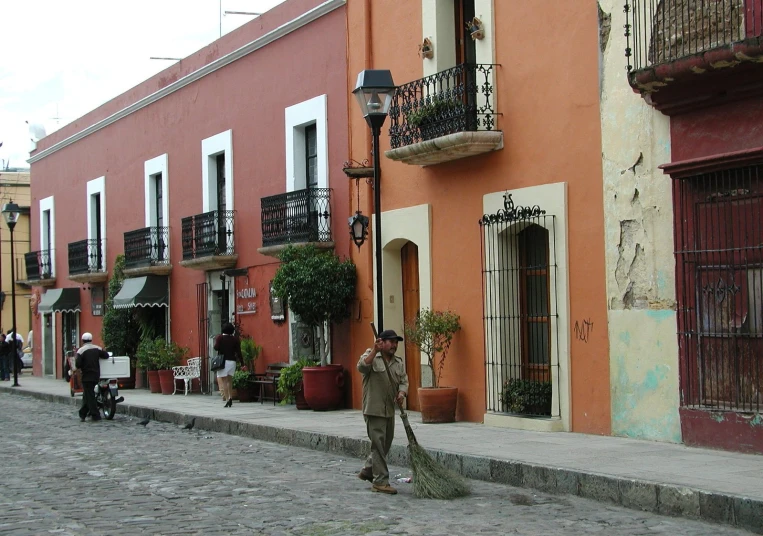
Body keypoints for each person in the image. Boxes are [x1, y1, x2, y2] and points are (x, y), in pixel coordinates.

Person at [357, 329, 408, 495]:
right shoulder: (372, 356)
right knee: (378, 445)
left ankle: (368, 469)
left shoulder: (398, 362)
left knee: (385, 444)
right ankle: (380, 481)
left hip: (389, 410)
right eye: (391, 342)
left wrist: (401, 394)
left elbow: (403, 381)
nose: (394, 345)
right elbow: (362, 367)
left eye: (396, 342)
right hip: (374, 409)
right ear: (382, 342)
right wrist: (374, 351)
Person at [75, 332, 109, 422]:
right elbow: (106, 355)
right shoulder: (97, 348)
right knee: (87, 395)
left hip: (86, 376)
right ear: (91, 339)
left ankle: (95, 415)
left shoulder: (81, 351)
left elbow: (77, 364)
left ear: (82, 340)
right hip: (96, 375)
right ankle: (82, 414)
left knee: (89, 395)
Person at [214, 322, 242, 408]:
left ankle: (227, 399)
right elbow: (239, 352)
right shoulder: (235, 339)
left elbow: (216, 347)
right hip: (232, 362)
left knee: (224, 381)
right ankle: (231, 397)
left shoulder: (220, 337)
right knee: (230, 380)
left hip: (223, 361)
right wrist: (242, 363)